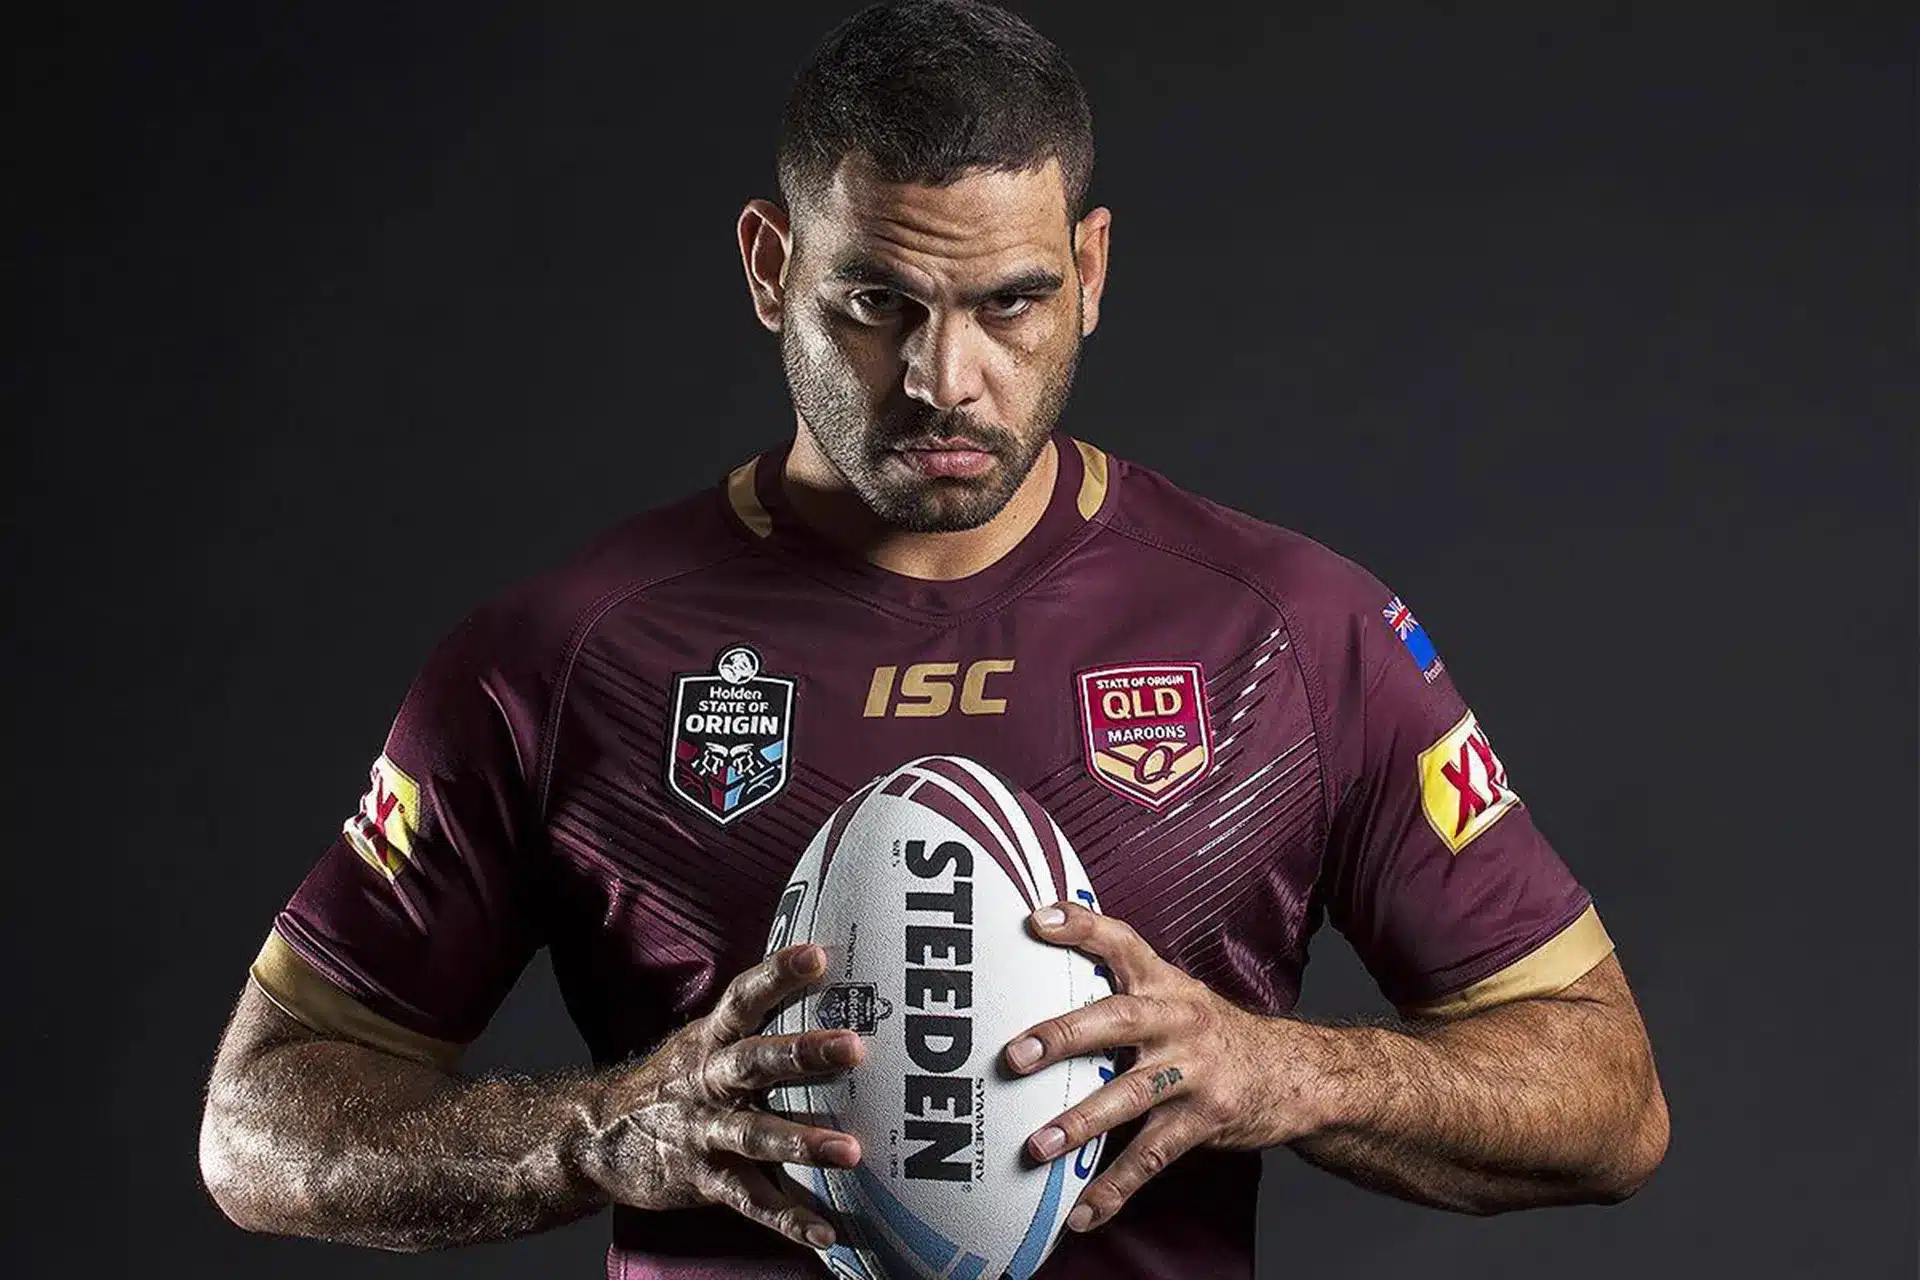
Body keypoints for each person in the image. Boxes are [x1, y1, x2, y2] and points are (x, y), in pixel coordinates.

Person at [196, 2, 1669, 1276]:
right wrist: (599, 1132)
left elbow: (1610, 1100)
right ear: (770, 266)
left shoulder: (1290, 634)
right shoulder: (566, 654)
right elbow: (257, 1127)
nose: (944, 377)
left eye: (1011, 304)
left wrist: (1294, 1072)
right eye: (876, 303)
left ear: (1091, 270)